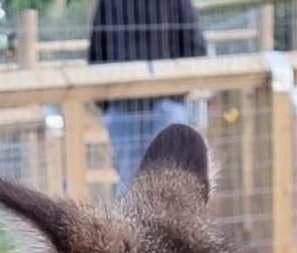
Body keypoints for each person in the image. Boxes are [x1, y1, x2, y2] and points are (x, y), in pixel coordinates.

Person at [86, 0, 207, 194]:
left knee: (140, 180)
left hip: (147, 105)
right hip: (136, 105)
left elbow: (196, 48)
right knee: (164, 178)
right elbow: (96, 54)